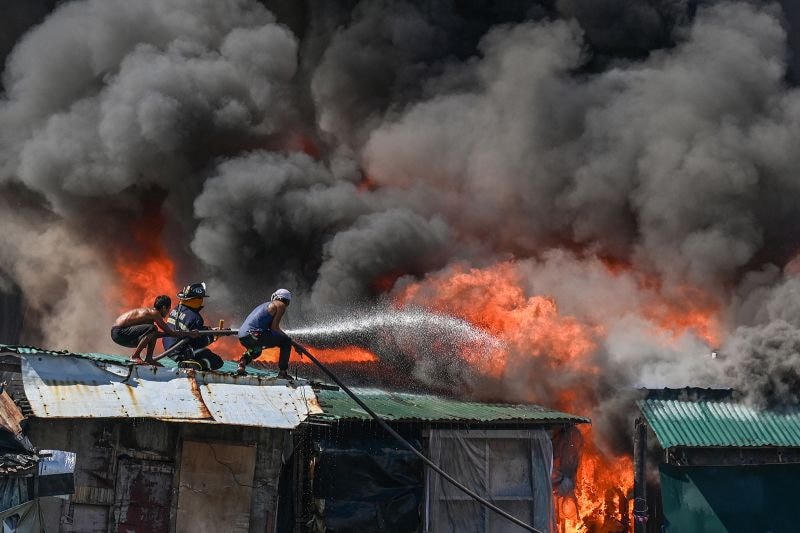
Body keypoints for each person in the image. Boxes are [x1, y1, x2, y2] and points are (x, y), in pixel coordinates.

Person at [111, 295, 197, 363]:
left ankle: (149, 358)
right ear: (164, 308)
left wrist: (168, 334)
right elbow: (170, 332)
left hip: (119, 334)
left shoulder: (150, 316)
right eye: (168, 309)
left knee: (153, 330)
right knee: (153, 328)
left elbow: (155, 334)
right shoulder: (154, 313)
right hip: (119, 332)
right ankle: (135, 356)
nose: (168, 312)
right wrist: (189, 333)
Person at [161, 282, 224, 371]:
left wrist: (209, 330)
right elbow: (198, 342)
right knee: (216, 361)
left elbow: (189, 328)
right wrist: (212, 337)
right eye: (201, 298)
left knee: (202, 352)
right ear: (196, 300)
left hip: (168, 347)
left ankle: (190, 362)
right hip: (181, 350)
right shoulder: (195, 317)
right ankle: (195, 365)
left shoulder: (176, 309)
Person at [237, 288, 295, 378]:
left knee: (257, 350)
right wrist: (289, 340)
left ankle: (242, 364)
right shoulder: (280, 305)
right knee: (286, 341)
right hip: (255, 335)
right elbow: (275, 328)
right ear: (286, 301)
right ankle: (283, 372)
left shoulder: (264, 305)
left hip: (243, 336)